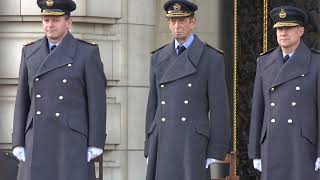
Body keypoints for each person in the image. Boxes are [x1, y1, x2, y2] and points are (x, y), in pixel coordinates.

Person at [11, 0, 107, 180]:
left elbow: (97, 102)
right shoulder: (29, 52)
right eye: (46, 20)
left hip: (70, 142)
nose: (49, 25)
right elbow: (22, 100)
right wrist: (18, 141)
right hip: (36, 139)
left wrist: (95, 143)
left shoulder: (87, 53)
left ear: (68, 22)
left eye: (55, 20)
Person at [144, 0, 230, 179]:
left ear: (193, 22)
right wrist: (149, 144)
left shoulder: (211, 58)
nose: (177, 26)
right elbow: (153, 105)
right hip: (162, 140)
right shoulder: (158, 57)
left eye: (182, 20)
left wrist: (216, 150)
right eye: (173, 21)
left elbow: (219, 108)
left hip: (192, 142)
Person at [248, 5, 320, 180]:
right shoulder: (264, 62)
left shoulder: (316, 62)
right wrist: (255, 151)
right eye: (279, 28)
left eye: (288, 28)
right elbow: (258, 109)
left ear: (301, 30)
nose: (283, 33)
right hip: (272, 145)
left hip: (302, 147)